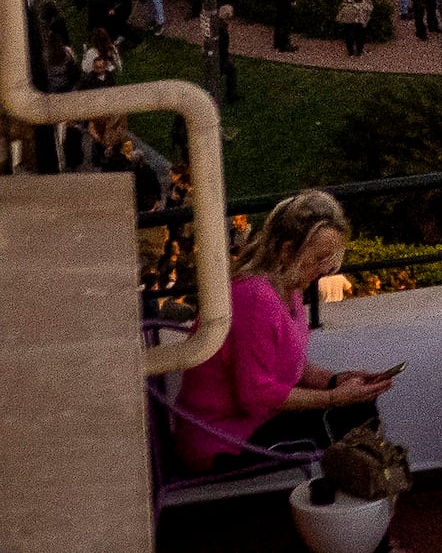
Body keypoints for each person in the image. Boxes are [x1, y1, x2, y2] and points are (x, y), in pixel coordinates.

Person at [165, 190, 397, 471]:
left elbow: (288, 366)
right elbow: (255, 396)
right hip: (220, 439)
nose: (325, 270)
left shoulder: (287, 289)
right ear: (288, 251)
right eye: (320, 259)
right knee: (349, 417)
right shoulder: (255, 299)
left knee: (356, 408)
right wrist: (335, 398)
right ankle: (355, 504)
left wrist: (336, 380)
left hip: (247, 425)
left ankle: (353, 504)